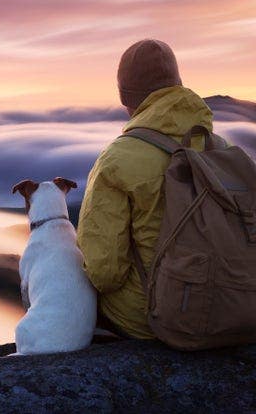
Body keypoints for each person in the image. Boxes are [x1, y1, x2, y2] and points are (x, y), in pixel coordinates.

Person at [76, 39, 215, 339]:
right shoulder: (219, 146)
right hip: (229, 300)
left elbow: (104, 272)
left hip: (152, 317)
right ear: (178, 84)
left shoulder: (116, 160)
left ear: (125, 96)